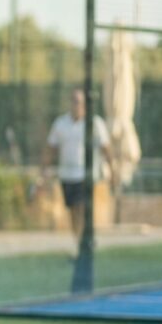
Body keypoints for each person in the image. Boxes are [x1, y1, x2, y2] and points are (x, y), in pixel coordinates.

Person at [41, 89, 115, 244]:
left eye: (79, 102)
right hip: (67, 175)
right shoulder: (61, 123)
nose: (76, 105)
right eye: (74, 101)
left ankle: (85, 239)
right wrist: (44, 169)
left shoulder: (95, 123)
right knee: (73, 210)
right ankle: (79, 241)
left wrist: (112, 169)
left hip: (86, 174)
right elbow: (51, 148)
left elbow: (105, 148)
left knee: (82, 207)